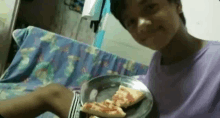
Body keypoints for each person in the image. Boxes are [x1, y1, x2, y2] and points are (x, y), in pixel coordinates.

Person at [0, 0, 219, 118]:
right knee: (52, 92)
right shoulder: (160, 60)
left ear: (177, 4)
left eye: (150, 7)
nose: (141, 24)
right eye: (131, 22)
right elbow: (150, 86)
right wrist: (112, 98)